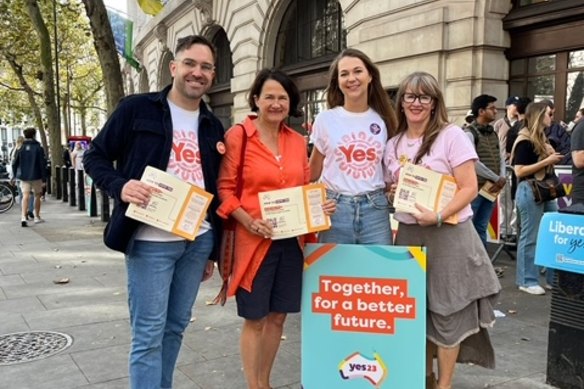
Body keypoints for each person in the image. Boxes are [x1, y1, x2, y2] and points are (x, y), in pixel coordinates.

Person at [83, 35, 225, 389]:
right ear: (174, 67)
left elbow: (217, 187)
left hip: (197, 241)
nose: (197, 72)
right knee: (148, 335)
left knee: (176, 327)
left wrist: (212, 251)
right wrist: (120, 186)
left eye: (206, 67)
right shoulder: (137, 109)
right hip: (150, 241)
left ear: (213, 75)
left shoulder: (213, 124)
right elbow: (95, 156)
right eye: (190, 64)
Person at [217, 68, 335, 389]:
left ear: (290, 103)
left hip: (290, 242)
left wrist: (317, 208)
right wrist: (248, 220)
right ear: (256, 99)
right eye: (269, 96)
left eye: (282, 97)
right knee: (255, 319)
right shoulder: (239, 136)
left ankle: (264, 382)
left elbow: (303, 186)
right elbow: (225, 191)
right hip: (253, 242)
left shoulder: (298, 142)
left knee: (278, 317)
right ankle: (253, 385)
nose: (275, 103)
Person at [383, 72, 501, 389]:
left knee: (448, 311)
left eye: (424, 97)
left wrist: (437, 215)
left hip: (449, 234)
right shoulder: (393, 144)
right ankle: (425, 377)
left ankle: (444, 384)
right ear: (401, 101)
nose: (416, 103)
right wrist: (393, 193)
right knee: (416, 311)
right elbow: (389, 187)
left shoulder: (451, 136)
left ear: (435, 103)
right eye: (410, 96)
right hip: (409, 235)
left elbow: (469, 187)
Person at [309, 48, 397, 244]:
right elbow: (311, 172)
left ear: (370, 76)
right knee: (333, 272)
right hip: (334, 207)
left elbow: (390, 170)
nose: (351, 78)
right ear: (337, 82)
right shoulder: (325, 119)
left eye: (358, 71)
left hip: (375, 209)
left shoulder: (384, 120)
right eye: (344, 74)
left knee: (378, 269)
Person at [510, 102, 563, 295]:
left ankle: (550, 279)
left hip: (543, 189)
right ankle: (527, 280)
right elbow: (519, 170)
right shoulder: (525, 140)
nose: (552, 117)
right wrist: (547, 160)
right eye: (549, 113)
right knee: (530, 236)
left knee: (551, 234)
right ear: (540, 115)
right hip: (530, 189)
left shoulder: (540, 138)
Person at [465, 94, 506, 248]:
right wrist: (497, 178)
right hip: (476, 188)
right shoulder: (469, 133)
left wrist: (501, 178)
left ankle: (482, 263)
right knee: (468, 226)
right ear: (481, 111)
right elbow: (473, 163)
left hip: (491, 188)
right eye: (492, 108)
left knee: (481, 226)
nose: (495, 111)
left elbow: (501, 157)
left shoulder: (493, 133)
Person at [11, 128, 46, 227]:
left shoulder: (20, 147)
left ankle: (23, 217)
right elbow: (42, 163)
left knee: (25, 196)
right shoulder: (38, 147)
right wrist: (44, 178)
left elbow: (14, 163)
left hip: (24, 176)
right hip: (36, 175)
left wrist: (14, 175)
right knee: (37, 195)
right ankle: (36, 217)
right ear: (34, 135)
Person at [9, 136, 35, 220]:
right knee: (30, 194)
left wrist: (13, 176)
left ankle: (23, 212)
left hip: (17, 175)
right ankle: (30, 210)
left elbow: (13, 164)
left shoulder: (13, 151)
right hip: (27, 175)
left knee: (21, 195)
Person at [541, 99, 572, 166]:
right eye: (549, 114)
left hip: (561, 164)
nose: (552, 118)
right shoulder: (528, 132)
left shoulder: (557, 128)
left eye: (552, 114)